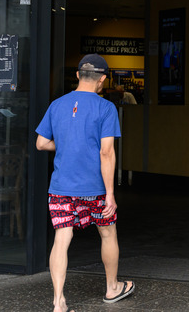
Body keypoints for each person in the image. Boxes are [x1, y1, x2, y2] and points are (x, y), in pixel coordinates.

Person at [35, 54, 134, 312]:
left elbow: (41, 143)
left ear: (78, 75)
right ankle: (112, 288)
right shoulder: (106, 108)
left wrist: (66, 144)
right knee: (107, 233)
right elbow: (106, 152)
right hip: (95, 188)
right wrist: (110, 193)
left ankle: (58, 301)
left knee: (61, 238)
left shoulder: (57, 105)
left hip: (61, 187)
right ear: (102, 80)